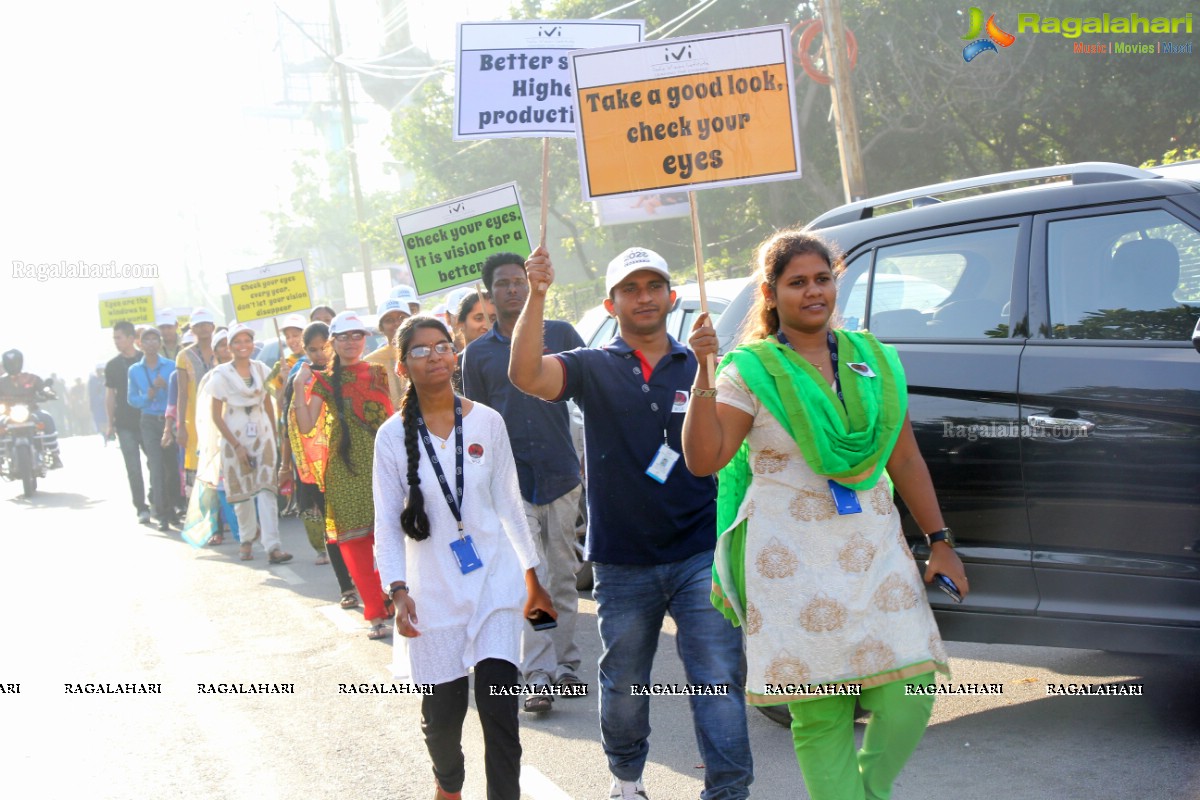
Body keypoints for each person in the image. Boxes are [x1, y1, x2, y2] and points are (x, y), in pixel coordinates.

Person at [682, 230, 970, 800]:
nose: (813, 292)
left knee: (911, 688)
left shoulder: (874, 360)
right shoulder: (749, 371)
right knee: (820, 713)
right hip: (791, 561)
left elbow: (904, 455)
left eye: (822, 279)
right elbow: (703, 458)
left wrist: (940, 539)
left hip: (873, 545)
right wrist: (702, 371)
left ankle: (869, 791)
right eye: (797, 283)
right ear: (770, 293)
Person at [510, 246, 753, 800]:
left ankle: (729, 792)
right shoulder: (593, 365)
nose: (644, 297)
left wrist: (715, 367)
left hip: (700, 551)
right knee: (623, 687)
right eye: (630, 288)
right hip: (622, 560)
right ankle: (627, 781)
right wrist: (538, 294)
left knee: (718, 681)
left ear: (673, 297)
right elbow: (526, 374)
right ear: (610, 302)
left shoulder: (703, 363)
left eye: (654, 286)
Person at [375, 314, 555, 800]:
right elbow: (388, 526)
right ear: (402, 364)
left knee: (500, 716)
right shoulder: (392, 437)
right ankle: (448, 785)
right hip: (431, 594)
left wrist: (532, 574)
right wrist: (397, 590)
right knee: (443, 727)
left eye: (442, 347)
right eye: (420, 350)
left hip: (495, 585)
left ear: (454, 355)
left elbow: (510, 503)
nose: (434, 356)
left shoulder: (487, 422)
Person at [462, 251, 586, 714]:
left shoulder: (562, 336)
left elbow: (589, 399)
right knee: (530, 580)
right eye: (503, 284)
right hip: (510, 485)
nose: (513, 289)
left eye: (519, 281)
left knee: (563, 578)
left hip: (560, 475)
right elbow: (475, 425)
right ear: (489, 294)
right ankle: (537, 673)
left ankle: (567, 664)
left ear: (532, 283)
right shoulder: (477, 354)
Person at [293, 311, 393, 638]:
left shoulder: (379, 373)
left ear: (365, 338)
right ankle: (376, 613)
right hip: (345, 469)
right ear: (333, 342)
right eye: (344, 336)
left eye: (357, 335)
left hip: (383, 465)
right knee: (355, 543)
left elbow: (393, 419)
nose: (351, 342)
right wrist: (298, 386)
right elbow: (306, 425)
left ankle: (396, 596)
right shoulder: (323, 380)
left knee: (391, 537)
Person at [277, 322, 360, 608]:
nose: (318, 354)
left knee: (363, 522)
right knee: (332, 525)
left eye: (323, 347)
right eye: (311, 349)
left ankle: (369, 581)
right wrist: (286, 466)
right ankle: (346, 586)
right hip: (318, 465)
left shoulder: (350, 371)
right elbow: (291, 426)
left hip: (353, 457)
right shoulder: (300, 378)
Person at [208, 323, 292, 564]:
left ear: (253, 344)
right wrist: (236, 445)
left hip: (262, 433)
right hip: (234, 435)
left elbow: (271, 400)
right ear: (229, 346)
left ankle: (273, 546)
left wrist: (275, 434)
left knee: (267, 489)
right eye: (237, 341)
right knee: (243, 492)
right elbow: (216, 415)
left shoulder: (262, 369)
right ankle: (246, 540)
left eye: (247, 341)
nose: (243, 346)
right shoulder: (221, 375)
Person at [126, 327, 177, 531]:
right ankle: (162, 513)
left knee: (171, 468)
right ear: (139, 343)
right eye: (146, 340)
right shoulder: (135, 370)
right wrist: (147, 395)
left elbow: (178, 394)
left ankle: (173, 505)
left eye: (154, 339)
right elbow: (131, 399)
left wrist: (166, 386)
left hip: (169, 419)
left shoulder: (171, 366)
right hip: (148, 420)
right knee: (155, 466)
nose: (150, 344)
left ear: (160, 343)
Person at [106, 321, 150, 523]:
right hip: (124, 424)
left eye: (119, 337)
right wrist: (109, 423)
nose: (116, 341)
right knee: (133, 467)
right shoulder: (112, 366)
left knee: (156, 464)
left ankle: (157, 499)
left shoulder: (146, 359)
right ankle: (141, 507)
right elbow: (110, 396)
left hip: (148, 420)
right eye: (114, 338)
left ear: (132, 338)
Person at [176, 308, 218, 485]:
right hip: (195, 419)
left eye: (205, 324)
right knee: (197, 459)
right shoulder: (184, 356)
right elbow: (182, 393)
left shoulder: (224, 350)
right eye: (198, 325)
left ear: (213, 326)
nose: (202, 329)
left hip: (222, 413)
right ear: (192, 329)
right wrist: (181, 427)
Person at [0, 350, 63, 467]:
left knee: (47, 418)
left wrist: (48, 393)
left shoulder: (31, 378)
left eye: (15, 362)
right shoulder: (1, 381)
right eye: (10, 363)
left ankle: (55, 455)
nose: (13, 365)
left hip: (32, 410)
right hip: (8, 414)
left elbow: (43, 388)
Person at [364, 296, 410, 410]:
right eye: (389, 320)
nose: (397, 323)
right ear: (381, 327)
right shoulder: (371, 361)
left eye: (402, 318)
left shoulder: (424, 352)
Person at [267, 314, 307, 405]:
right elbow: (280, 404)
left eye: (295, 335)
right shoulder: (281, 365)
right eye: (287, 337)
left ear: (306, 334)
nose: (291, 340)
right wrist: (286, 380)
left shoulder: (317, 360)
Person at [88, 365, 107, 441]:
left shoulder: (107, 378)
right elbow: (91, 393)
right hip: (97, 405)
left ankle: (110, 434)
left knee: (108, 419)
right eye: (99, 370)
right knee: (99, 421)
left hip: (106, 403)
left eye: (101, 370)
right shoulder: (92, 381)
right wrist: (91, 404)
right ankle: (104, 435)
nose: (100, 372)